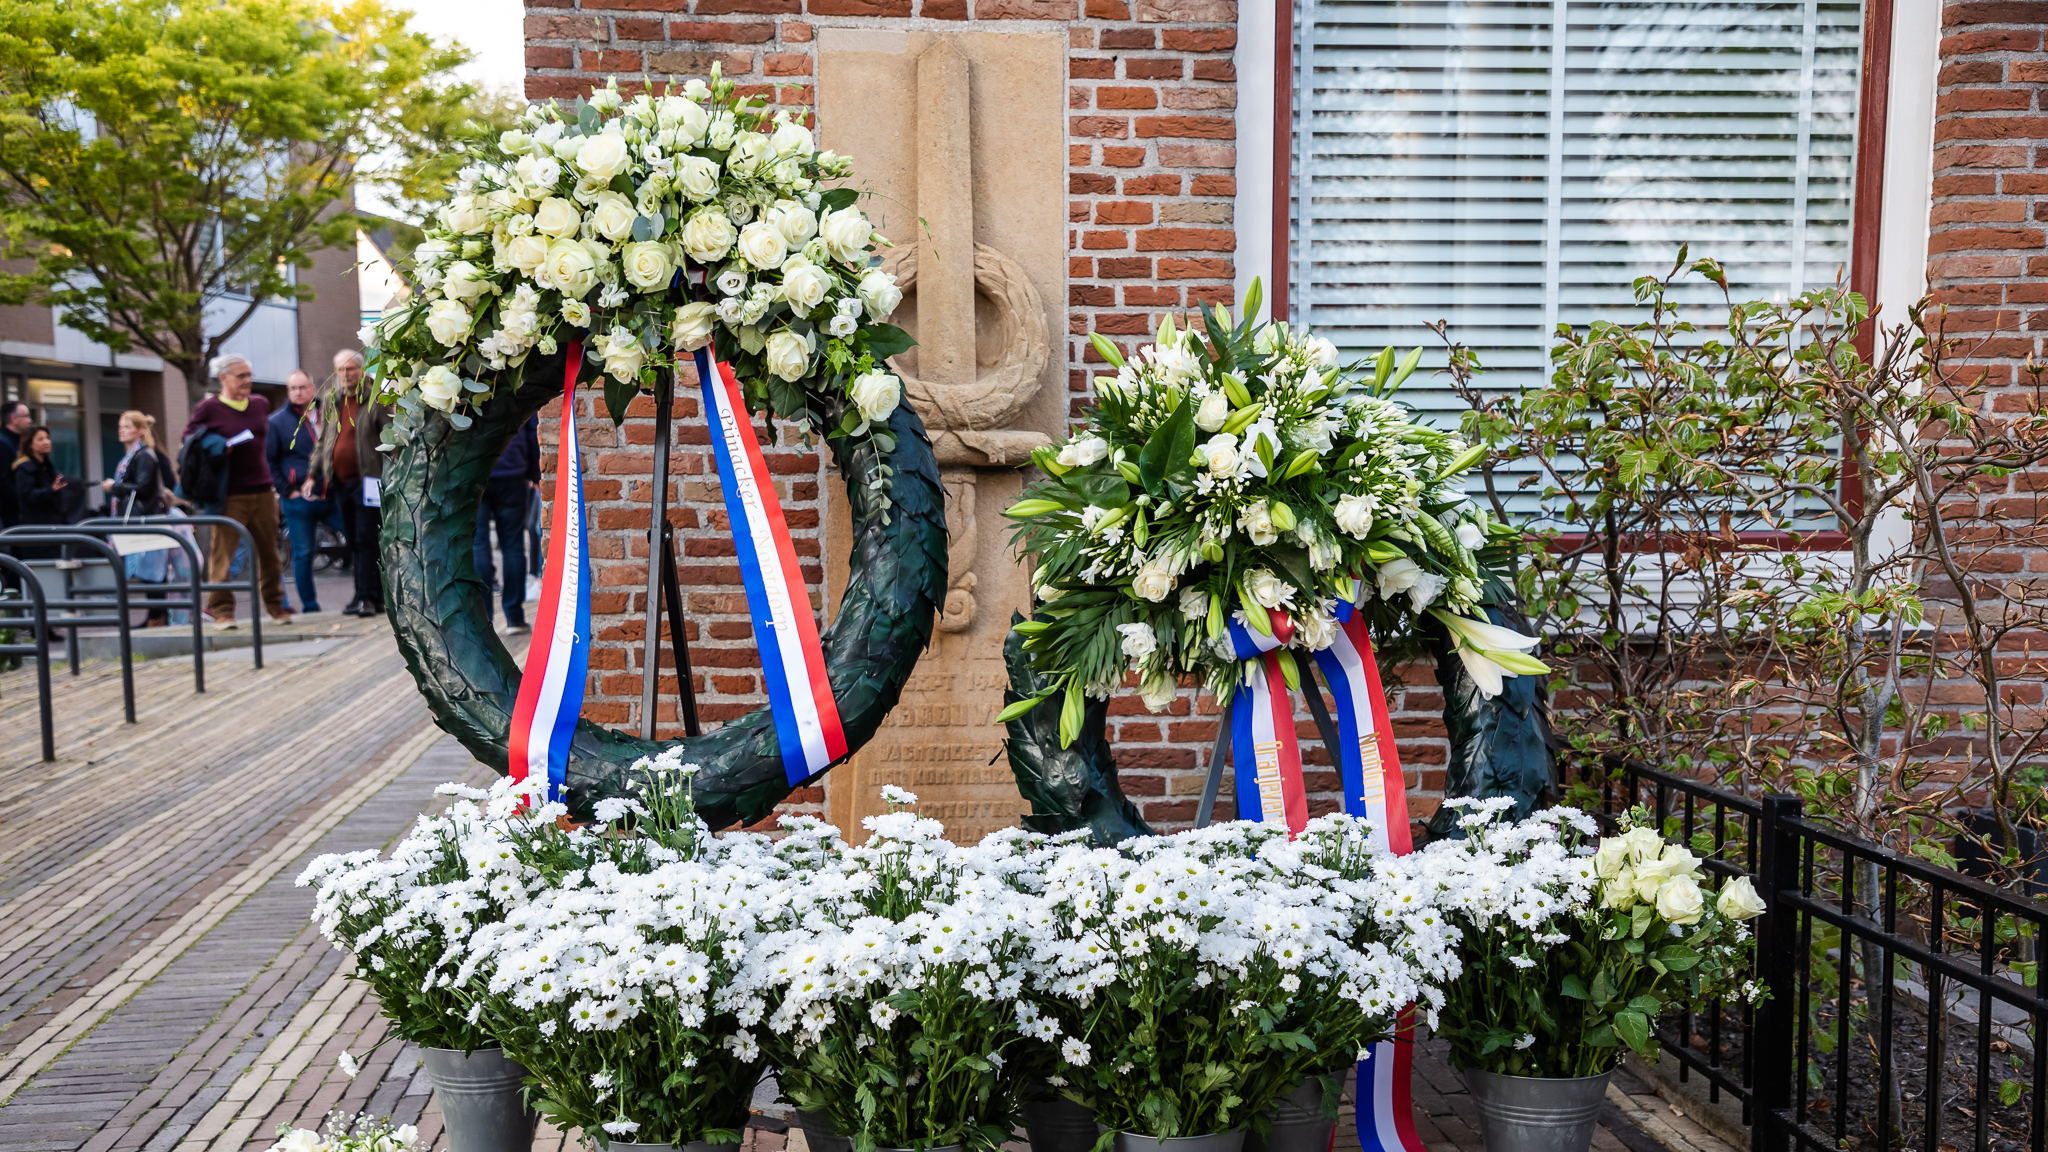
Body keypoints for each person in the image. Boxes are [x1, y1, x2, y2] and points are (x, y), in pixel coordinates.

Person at [182, 352, 290, 628]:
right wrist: (219, 444)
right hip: (229, 494)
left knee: (269, 553)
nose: (248, 380)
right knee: (223, 555)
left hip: (263, 490)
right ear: (223, 378)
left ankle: (277, 607)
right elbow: (189, 439)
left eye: (249, 375)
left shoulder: (259, 404)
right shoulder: (208, 408)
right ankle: (222, 612)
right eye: (241, 376)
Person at [313, 348, 389, 618]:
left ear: (361, 370)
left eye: (351, 369)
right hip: (341, 482)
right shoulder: (331, 400)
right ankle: (368, 595)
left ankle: (367, 597)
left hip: (368, 481)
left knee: (366, 539)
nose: (346, 374)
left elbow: (390, 434)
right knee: (354, 541)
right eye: (341, 370)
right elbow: (324, 440)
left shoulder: (375, 398)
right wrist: (314, 473)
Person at [268, 369, 342, 614]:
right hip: (298, 498)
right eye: (292, 388)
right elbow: (270, 461)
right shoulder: (277, 422)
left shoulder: (331, 412)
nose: (297, 393)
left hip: (332, 494)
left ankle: (366, 595)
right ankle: (311, 607)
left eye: (302, 387)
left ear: (312, 388)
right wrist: (288, 491)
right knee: (303, 553)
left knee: (360, 538)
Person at [102, 410, 175, 626]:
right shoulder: (134, 455)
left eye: (126, 426)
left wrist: (114, 487)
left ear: (140, 431)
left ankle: (157, 617)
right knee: (147, 570)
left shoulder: (144, 455)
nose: (121, 430)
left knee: (151, 571)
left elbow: (143, 487)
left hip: (145, 519)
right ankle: (156, 616)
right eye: (120, 426)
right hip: (139, 517)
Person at [474, 415, 540, 632]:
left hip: (475, 470)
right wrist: (533, 471)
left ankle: (484, 620)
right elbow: (532, 429)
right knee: (513, 545)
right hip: (513, 470)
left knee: (478, 544)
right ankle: (514, 617)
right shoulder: (518, 383)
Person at [10, 425, 65, 560]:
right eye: (40, 439)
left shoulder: (47, 466)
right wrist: (50, 490)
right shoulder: (24, 468)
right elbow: (27, 495)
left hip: (53, 529)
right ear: (30, 445)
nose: (47, 442)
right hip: (36, 532)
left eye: (47, 438)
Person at [0, 400, 29, 528]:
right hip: (12, 512)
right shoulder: (3, 443)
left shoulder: (18, 442)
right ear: (13, 419)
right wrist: (23, 501)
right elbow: (3, 480)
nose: (30, 420)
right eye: (26, 416)